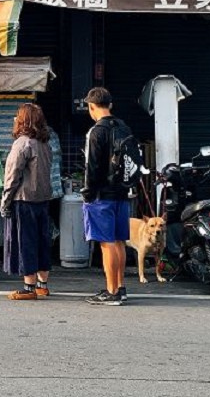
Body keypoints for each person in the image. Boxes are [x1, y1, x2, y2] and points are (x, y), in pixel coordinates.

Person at [82, 87, 134, 306]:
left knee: (107, 242)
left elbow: (92, 167)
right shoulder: (123, 127)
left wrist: (88, 193)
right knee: (120, 240)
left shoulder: (96, 132)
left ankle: (111, 291)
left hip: (102, 194)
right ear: (110, 105)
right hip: (122, 192)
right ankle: (120, 287)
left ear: (91, 106)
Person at [0, 103, 54, 300]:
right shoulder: (45, 144)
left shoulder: (22, 143)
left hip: (23, 200)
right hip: (43, 199)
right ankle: (42, 285)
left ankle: (28, 287)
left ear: (22, 120)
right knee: (42, 242)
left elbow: (12, 176)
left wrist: (5, 202)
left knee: (26, 242)